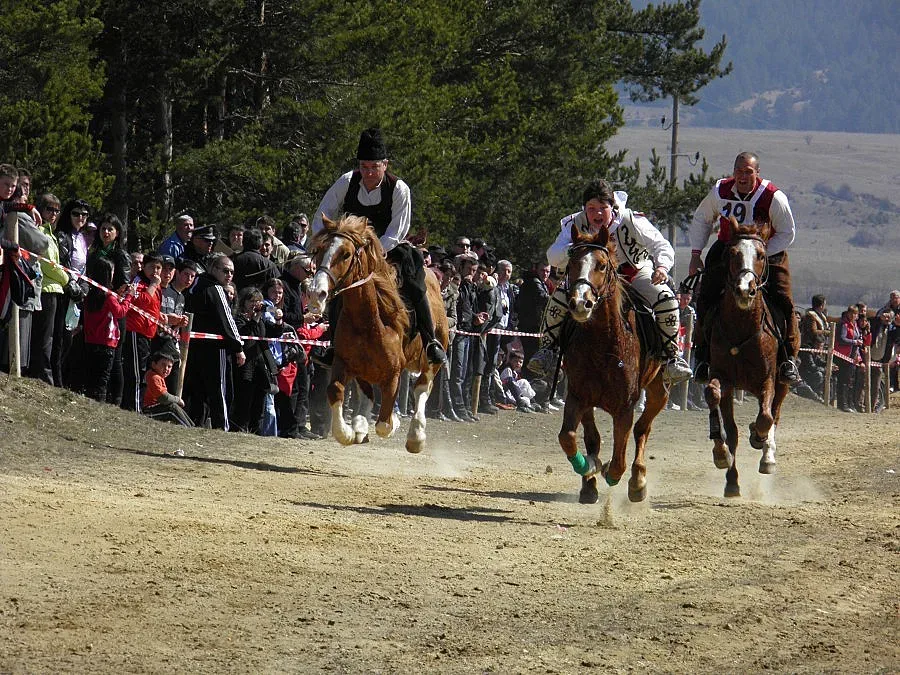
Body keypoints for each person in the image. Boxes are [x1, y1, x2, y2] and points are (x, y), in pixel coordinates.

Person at [528, 180, 693, 385]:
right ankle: (547, 352)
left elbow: (662, 245)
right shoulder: (574, 223)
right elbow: (552, 256)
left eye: (602, 208)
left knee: (666, 298)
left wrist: (662, 267)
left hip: (634, 275)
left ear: (612, 206)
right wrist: (570, 250)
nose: (597, 214)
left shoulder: (630, 219)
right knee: (560, 296)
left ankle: (671, 358)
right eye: (592, 209)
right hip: (592, 280)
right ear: (584, 209)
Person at [311, 127, 446, 366]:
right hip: (351, 250)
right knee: (338, 286)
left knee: (415, 281)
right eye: (364, 167)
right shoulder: (346, 181)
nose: (369, 172)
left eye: (374, 167)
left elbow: (398, 230)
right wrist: (322, 242)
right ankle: (334, 344)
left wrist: (373, 253)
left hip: (389, 249)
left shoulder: (399, 188)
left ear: (385, 164)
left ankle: (429, 340)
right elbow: (323, 213)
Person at [689, 152, 800, 385]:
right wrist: (696, 254)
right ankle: (701, 356)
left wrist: (759, 256)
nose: (742, 176)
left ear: (757, 173)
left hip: (767, 252)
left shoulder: (773, 196)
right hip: (729, 250)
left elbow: (787, 232)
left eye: (748, 172)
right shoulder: (720, 190)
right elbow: (702, 218)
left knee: (784, 300)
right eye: (738, 171)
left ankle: (788, 359)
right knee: (705, 296)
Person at [183, 253, 245, 430]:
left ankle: (197, 424)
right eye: (225, 271)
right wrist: (238, 347)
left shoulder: (195, 285)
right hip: (215, 349)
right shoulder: (216, 288)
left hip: (194, 346)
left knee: (198, 392)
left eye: (232, 272)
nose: (229, 276)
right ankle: (222, 427)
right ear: (213, 268)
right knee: (220, 392)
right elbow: (227, 321)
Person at [29, 193, 70, 386]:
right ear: (41, 209)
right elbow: (48, 265)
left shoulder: (52, 234)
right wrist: (66, 279)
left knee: (51, 335)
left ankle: (44, 373)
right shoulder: (41, 232)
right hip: (45, 288)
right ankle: (43, 375)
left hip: (54, 290)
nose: (53, 213)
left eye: (56, 210)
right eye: (49, 209)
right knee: (44, 335)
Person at [82, 257, 134, 403]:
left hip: (90, 339)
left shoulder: (90, 295)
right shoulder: (108, 296)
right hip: (106, 342)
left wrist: (119, 295)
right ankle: (100, 403)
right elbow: (120, 312)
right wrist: (129, 297)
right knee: (102, 379)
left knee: (91, 375)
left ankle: (88, 399)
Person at [121, 253, 164, 412]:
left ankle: (136, 405)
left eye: (158, 267)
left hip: (148, 333)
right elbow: (141, 301)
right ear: (143, 267)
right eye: (152, 267)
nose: (156, 271)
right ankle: (133, 407)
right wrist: (153, 285)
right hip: (135, 331)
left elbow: (152, 307)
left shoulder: (156, 285)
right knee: (136, 373)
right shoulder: (138, 282)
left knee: (142, 372)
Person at [143, 352, 194, 427]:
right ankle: (188, 428)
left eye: (169, 366)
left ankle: (192, 426)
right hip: (147, 411)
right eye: (163, 365)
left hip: (154, 408)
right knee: (172, 409)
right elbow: (164, 398)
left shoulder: (158, 377)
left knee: (173, 406)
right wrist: (178, 400)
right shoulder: (153, 377)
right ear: (154, 365)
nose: (166, 369)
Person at [834, 305, 864, 412]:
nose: (853, 315)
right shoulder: (844, 324)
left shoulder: (855, 325)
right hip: (843, 356)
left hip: (852, 356)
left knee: (849, 381)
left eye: (855, 313)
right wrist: (854, 342)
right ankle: (843, 404)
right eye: (851, 313)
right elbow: (841, 339)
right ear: (847, 313)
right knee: (843, 381)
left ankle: (849, 403)